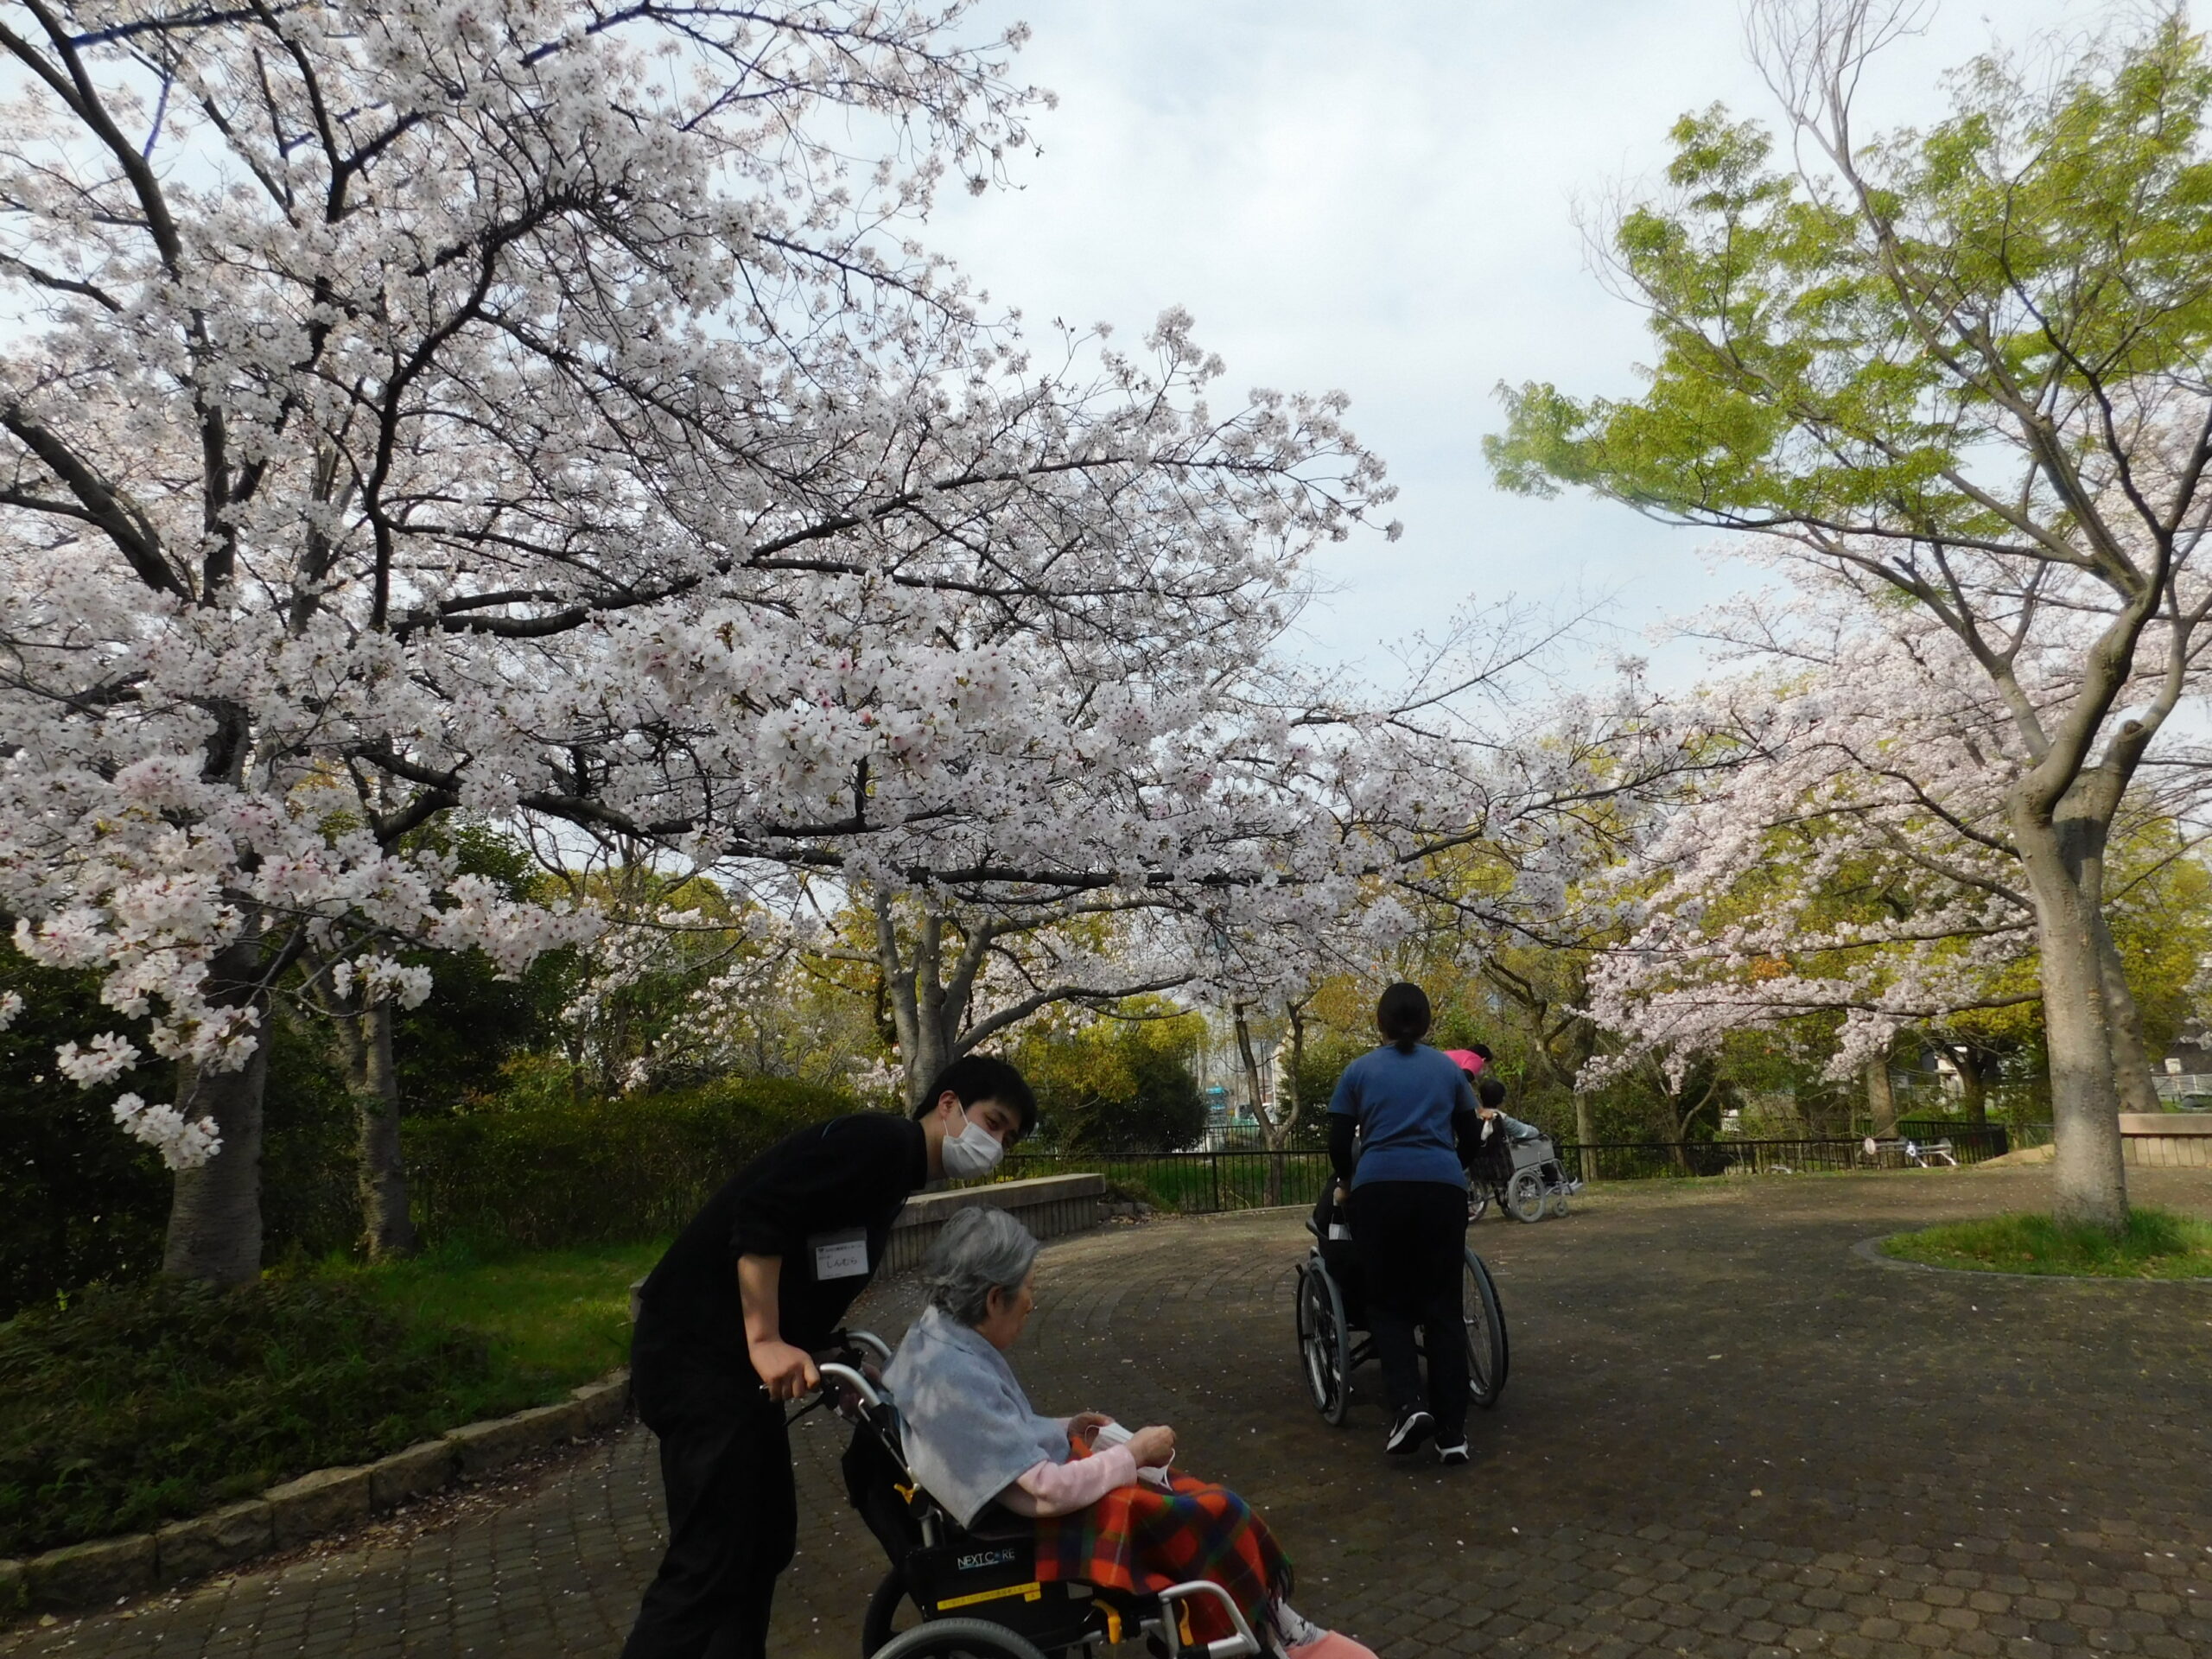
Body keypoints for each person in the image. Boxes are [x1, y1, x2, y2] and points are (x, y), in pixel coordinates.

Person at [621, 1055, 1036, 1659]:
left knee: (762, 1541)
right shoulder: (878, 1144)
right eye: (992, 1123)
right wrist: (765, 1340)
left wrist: (823, 1352)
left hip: (731, 1369)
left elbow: (807, 1256)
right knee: (711, 1557)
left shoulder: (894, 1175)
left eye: (1007, 1138)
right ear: (947, 1104)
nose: (994, 1145)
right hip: (698, 1357)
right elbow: (762, 1214)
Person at [886, 1207, 1376, 1659]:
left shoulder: (935, 1342)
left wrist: (1069, 1427)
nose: (1033, 1303)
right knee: (1214, 1508)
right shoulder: (958, 1376)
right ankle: (1266, 1626)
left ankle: (1270, 1617)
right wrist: (1134, 1452)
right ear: (995, 1298)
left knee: (1180, 1488)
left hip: (1011, 1502)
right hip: (1030, 1522)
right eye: (1028, 1289)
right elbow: (1045, 1491)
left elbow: (999, 1433)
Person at [1326, 982, 1481, 1464]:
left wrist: (1348, 1179)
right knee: (1443, 1307)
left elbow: (1338, 1140)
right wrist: (1451, 1165)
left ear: (1381, 1022)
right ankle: (1453, 1433)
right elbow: (1471, 1133)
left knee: (1388, 1303)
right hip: (1442, 1190)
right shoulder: (1447, 1070)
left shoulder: (1359, 1070)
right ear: (1427, 1022)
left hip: (1380, 1189)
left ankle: (1409, 1407)